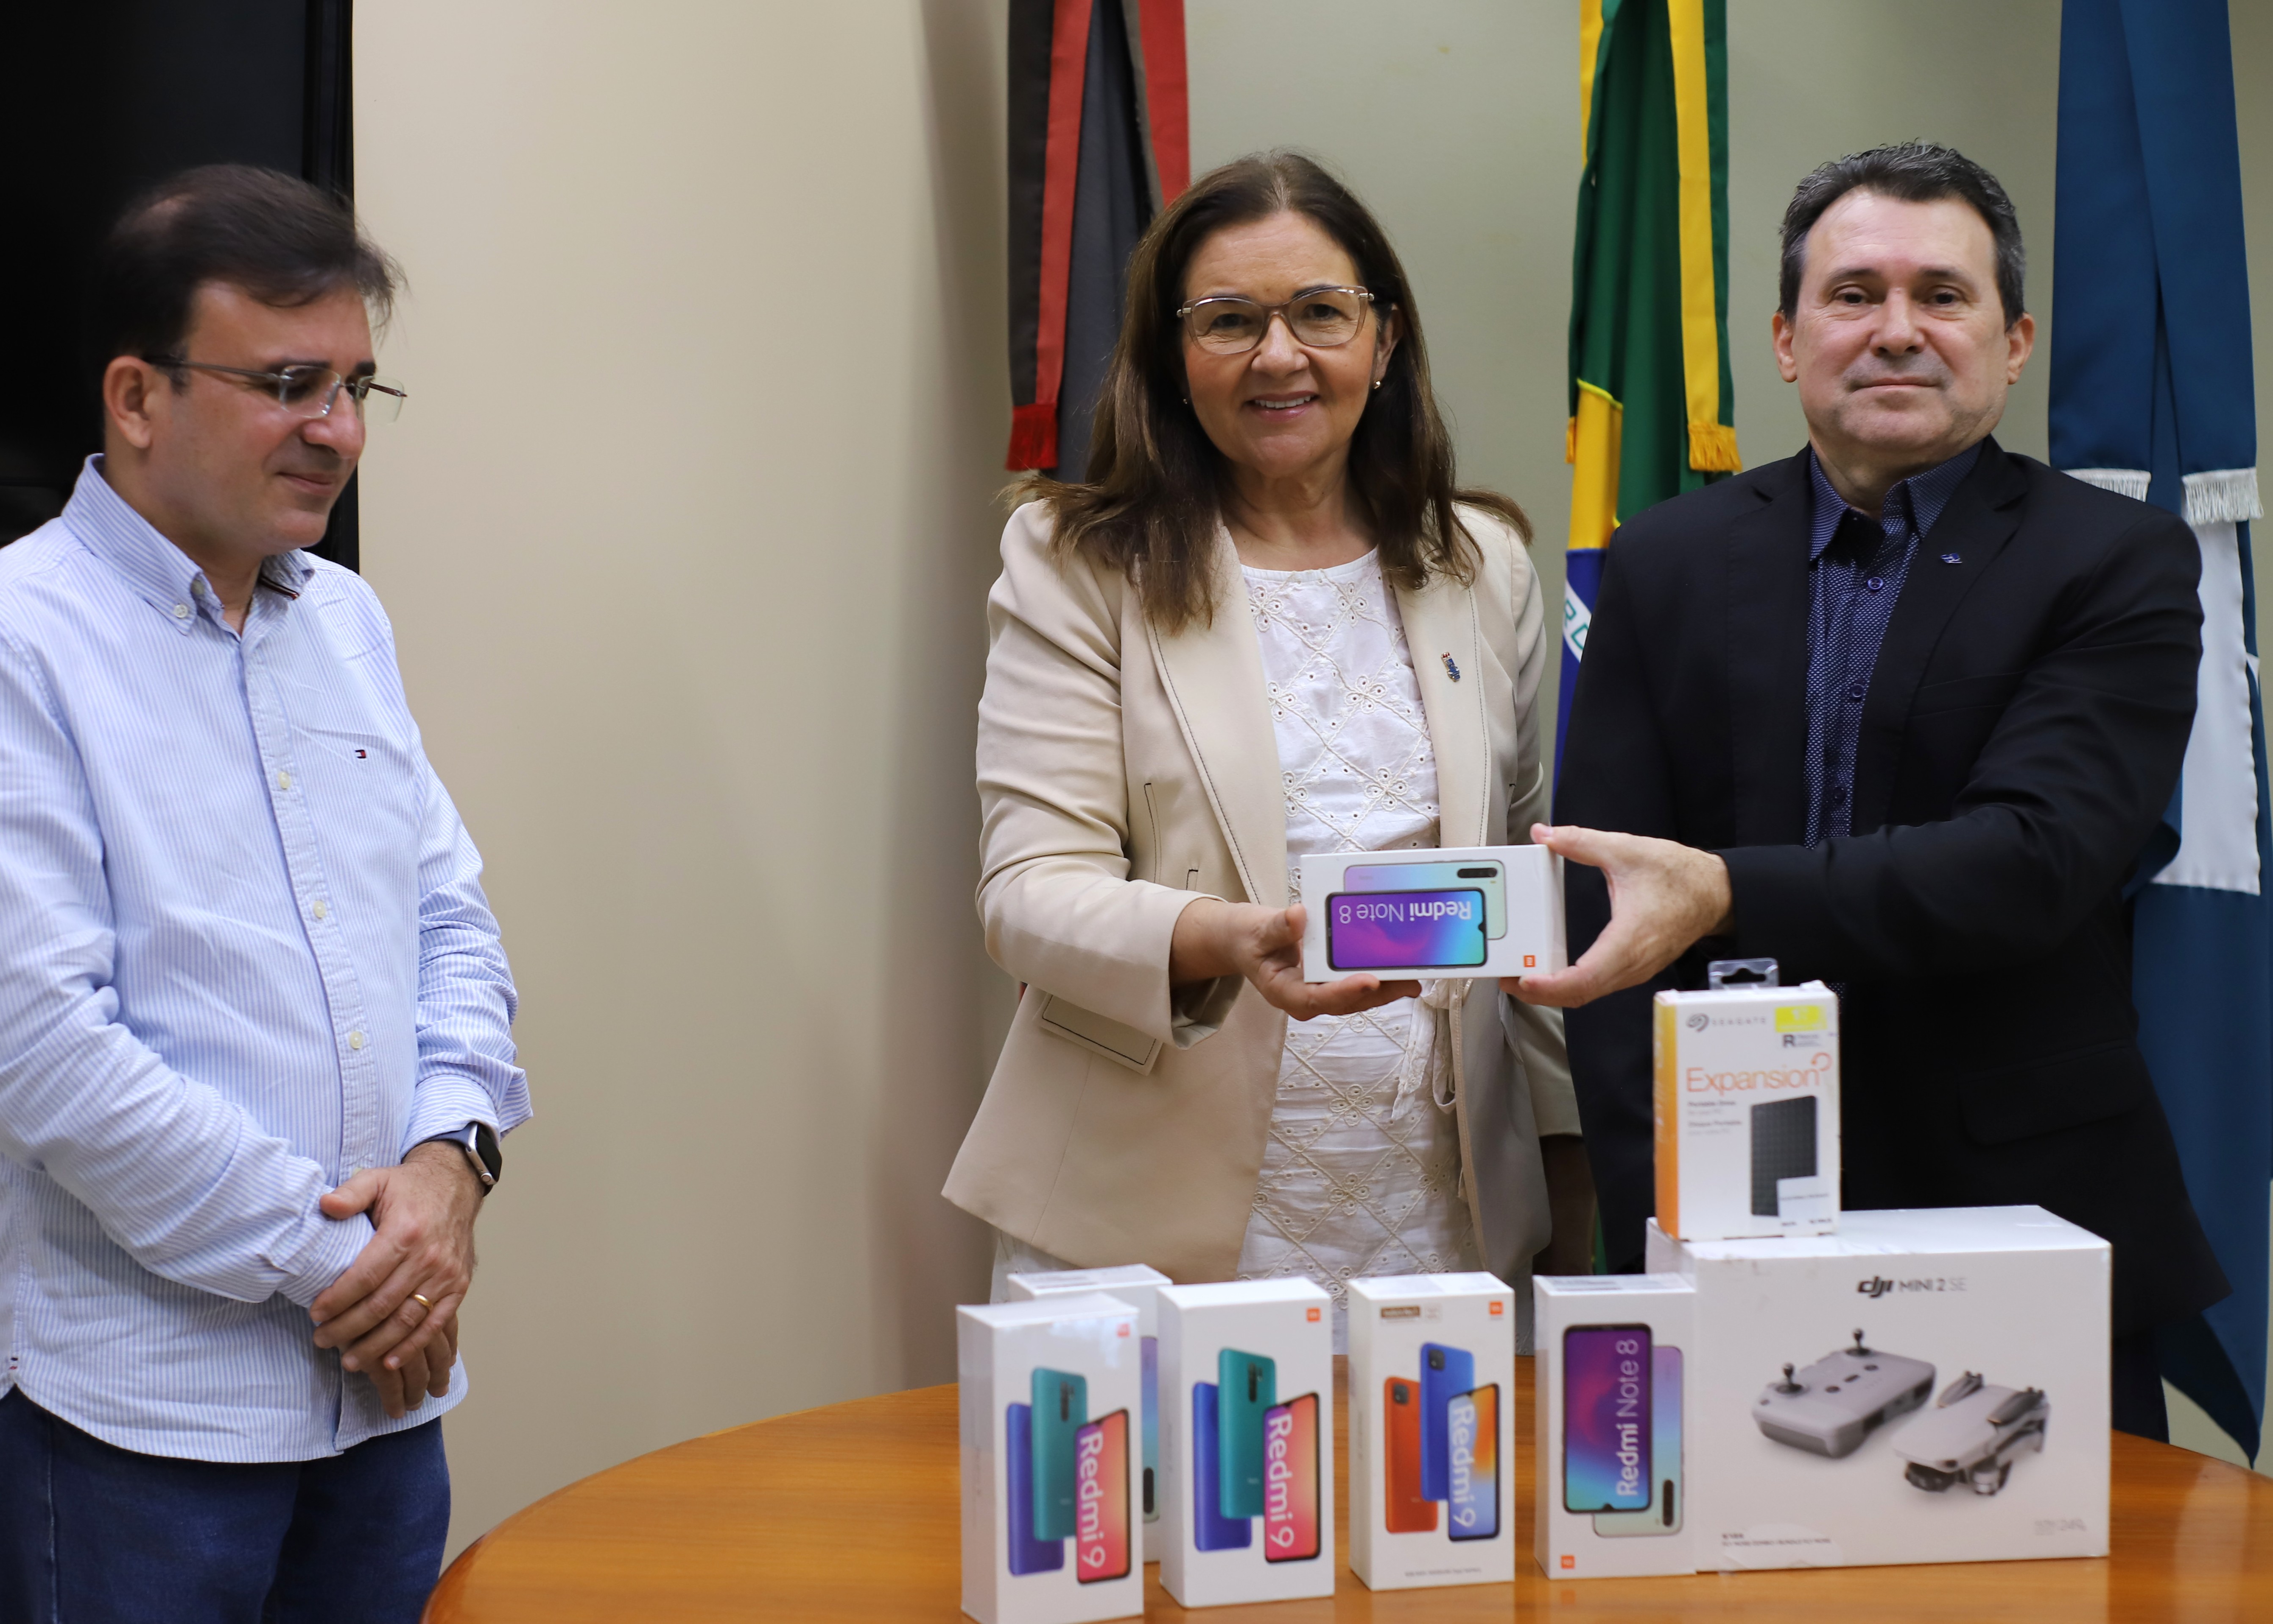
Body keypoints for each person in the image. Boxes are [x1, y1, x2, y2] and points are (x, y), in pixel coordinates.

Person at [0, 165, 530, 1620]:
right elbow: (42, 1056)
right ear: (137, 397)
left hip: (383, 1415)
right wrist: (354, 1267)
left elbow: (450, 923)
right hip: (142, 1425)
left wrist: (450, 1165)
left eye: (357, 386)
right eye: (289, 384)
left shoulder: (346, 620)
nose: (340, 430)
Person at [1520, 142, 2225, 1437]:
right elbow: (1609, 919)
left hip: (2026, 1220)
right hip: (1720, 1211)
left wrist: (1723, 892)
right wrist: (1646, 1212)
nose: (1897, 330)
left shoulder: (2117, 561)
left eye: (1942, 296)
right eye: (1854, 295)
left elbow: (2031, 862)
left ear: (2015, 343)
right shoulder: (1665, 562)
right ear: (1787, 341)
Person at [943, 151, 1589, 1344]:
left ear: (1384, 340)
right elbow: (1027, 893)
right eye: (1229, 320)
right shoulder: (1077, 563)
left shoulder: (1482, 561)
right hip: (1145, 1217)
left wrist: (1563, 1160)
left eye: (1321, 313)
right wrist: (1228, 939)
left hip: (1438, 1208)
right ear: (1172, 357)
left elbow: (1524, 879)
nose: (1279, 355)